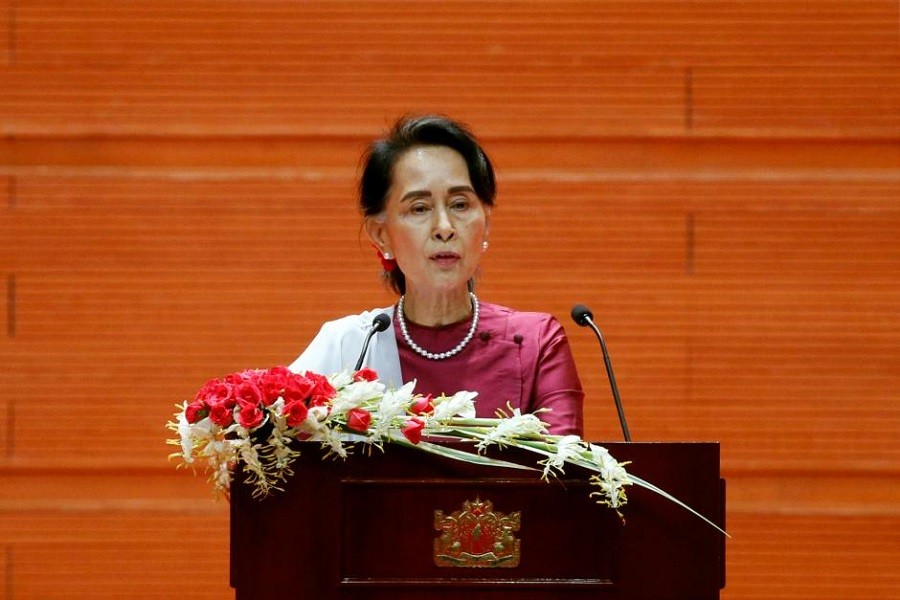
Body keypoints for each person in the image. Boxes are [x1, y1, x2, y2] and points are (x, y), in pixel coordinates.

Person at [289, 114, 584, 435]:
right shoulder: (351, 347)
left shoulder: (534, 343)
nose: (444, 228)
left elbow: (564, 476)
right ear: (381, 235)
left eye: (460, 204)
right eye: (419, 208)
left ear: (485, 221)